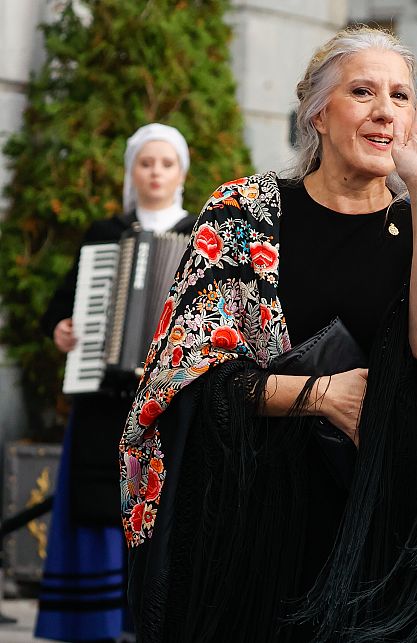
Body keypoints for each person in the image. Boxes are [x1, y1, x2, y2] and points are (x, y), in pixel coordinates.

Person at [118, 27, 417, 642]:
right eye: (362, 91)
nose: (385, 111)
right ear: (316, 111)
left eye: (400, 95)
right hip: (256, 524)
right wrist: (319, 396)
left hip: (378, 527)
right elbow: (185, 374)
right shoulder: (245, 212)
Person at [36, 123, 194, 642]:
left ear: (181, 173)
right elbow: (62, 309)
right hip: (103, 402)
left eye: (166, 164)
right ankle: (96, 626)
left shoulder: (198, 237)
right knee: (98, 510)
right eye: (146, 163)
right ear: (132, 171)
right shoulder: (105, 234)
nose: (155, 173)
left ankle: (150, 622)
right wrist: (61, 329)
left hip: (166, 405)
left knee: (161, 511)